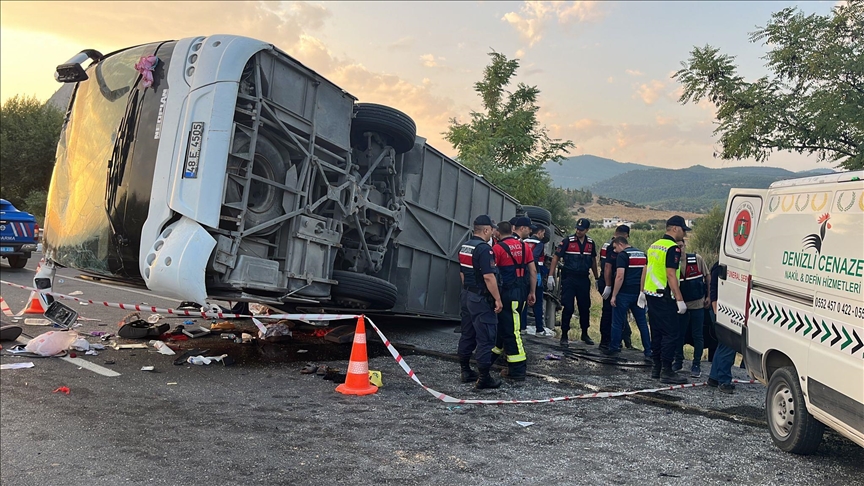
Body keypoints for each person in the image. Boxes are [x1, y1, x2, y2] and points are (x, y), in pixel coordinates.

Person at [640, 215, 690, 384]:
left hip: (651, 294)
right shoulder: (672, 248)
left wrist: (642, 292)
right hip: (664, 296)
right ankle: (667, 371)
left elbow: (646, 269)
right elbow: (670, 274)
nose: (684, 234)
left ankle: (656, 368)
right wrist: (679, 299)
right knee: (671, 333)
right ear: (675, 228)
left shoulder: (654, 246)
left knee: (657, 332)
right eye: (683, 230)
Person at [491, 218, 536, 380]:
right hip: (522, 292)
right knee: (505, 326)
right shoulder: (525, 246)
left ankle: (517, 369)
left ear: (498, 232)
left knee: (512, 331)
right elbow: (532, 271)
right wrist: (532, 292)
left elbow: (491, 274)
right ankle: (492, 356)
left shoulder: (497, 249)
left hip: (507, 294)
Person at [462, 215, 503, 389]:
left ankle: (465, 370)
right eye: (492, 230)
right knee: (486, 337)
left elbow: (463, 273)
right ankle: (484, 378)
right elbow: (488, 276)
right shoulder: (485, 250)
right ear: (486, 230)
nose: (493, 233)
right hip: (481, 298)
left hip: (468, 295)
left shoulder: (466, 247)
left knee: (467, 333)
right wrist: (497, 299)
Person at [548, 218, 598, 347]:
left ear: (587, 230)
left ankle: (585, 333)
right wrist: (550, 276)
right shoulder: (567, 241)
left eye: (581, 230)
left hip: (583, 278)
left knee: (584, 307)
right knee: (568, 307)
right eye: (577, 228)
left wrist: (597, 278)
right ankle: (564, 334)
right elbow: (556, 257)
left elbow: (593, 260)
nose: (578, 231)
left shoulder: (591, 243)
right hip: (569, 278)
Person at [605, 236, 652, 360]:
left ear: (621, 244)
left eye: (615, 247)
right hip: (638, 294)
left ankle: (614, 348)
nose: (614, 251)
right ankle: (648, 350)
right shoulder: (642, 254)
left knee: (617, 322)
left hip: (624, 293)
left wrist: (614, 295)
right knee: (642, 323)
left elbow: (620, 276)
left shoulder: (623, 255)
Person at [673, 240, 710, 378]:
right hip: (680, 305)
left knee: (698, 335)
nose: (679, 249)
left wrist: (709, 296)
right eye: (676, 247)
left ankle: (696, 364)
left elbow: (707, 276)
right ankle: (678, 361)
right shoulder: (672, 263)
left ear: (685, 246)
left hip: (697, 303)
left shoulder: (697, 259)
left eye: (681, 246)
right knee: (679, 334)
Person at [598, 225, 633, 351]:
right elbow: (607, 267)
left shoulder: (608, 244)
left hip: (615, 282)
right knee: (609, 312)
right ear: (625, 235)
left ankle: (618, 341)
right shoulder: (611, 246)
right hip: (610, 282)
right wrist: (608, 286)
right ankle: (606, 341)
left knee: (618, 314)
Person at [707, 259, 736, 393]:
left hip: (723, 310)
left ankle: (714, 377)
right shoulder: (721, 266)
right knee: (729, 345)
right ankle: (724, 381)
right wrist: (716, 311)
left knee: (723, 345)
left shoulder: (721, 265)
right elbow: (714, 290)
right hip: (723, 310)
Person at [523, 225, 555, 337]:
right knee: (537, 302)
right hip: (536, 274)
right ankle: (539, 329)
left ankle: (522, 327)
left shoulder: (524, 241)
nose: (543, 236)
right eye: (543, 233)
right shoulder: (540, 244)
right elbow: (534, 258)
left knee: (523, 302)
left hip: (523, 274)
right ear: (540, 232)